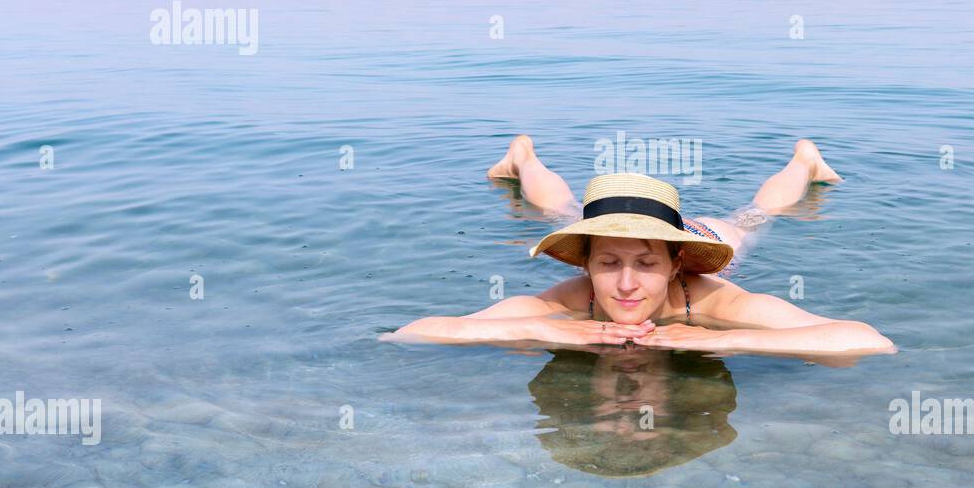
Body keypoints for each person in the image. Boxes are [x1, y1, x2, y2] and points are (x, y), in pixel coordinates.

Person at [383, 137, 894, 357]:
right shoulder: (565, 301)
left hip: (705, 234)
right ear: (586, 261)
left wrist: (723, 340)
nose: (626, 284)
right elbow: (410, 335)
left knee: (753, 217)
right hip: (606, 223)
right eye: (608, 264)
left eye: (646, 265)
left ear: (675, 264)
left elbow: (866, 341)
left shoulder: (718, 301)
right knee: (559, 212)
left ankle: (804, 162)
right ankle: (523, 157)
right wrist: (539, 328)